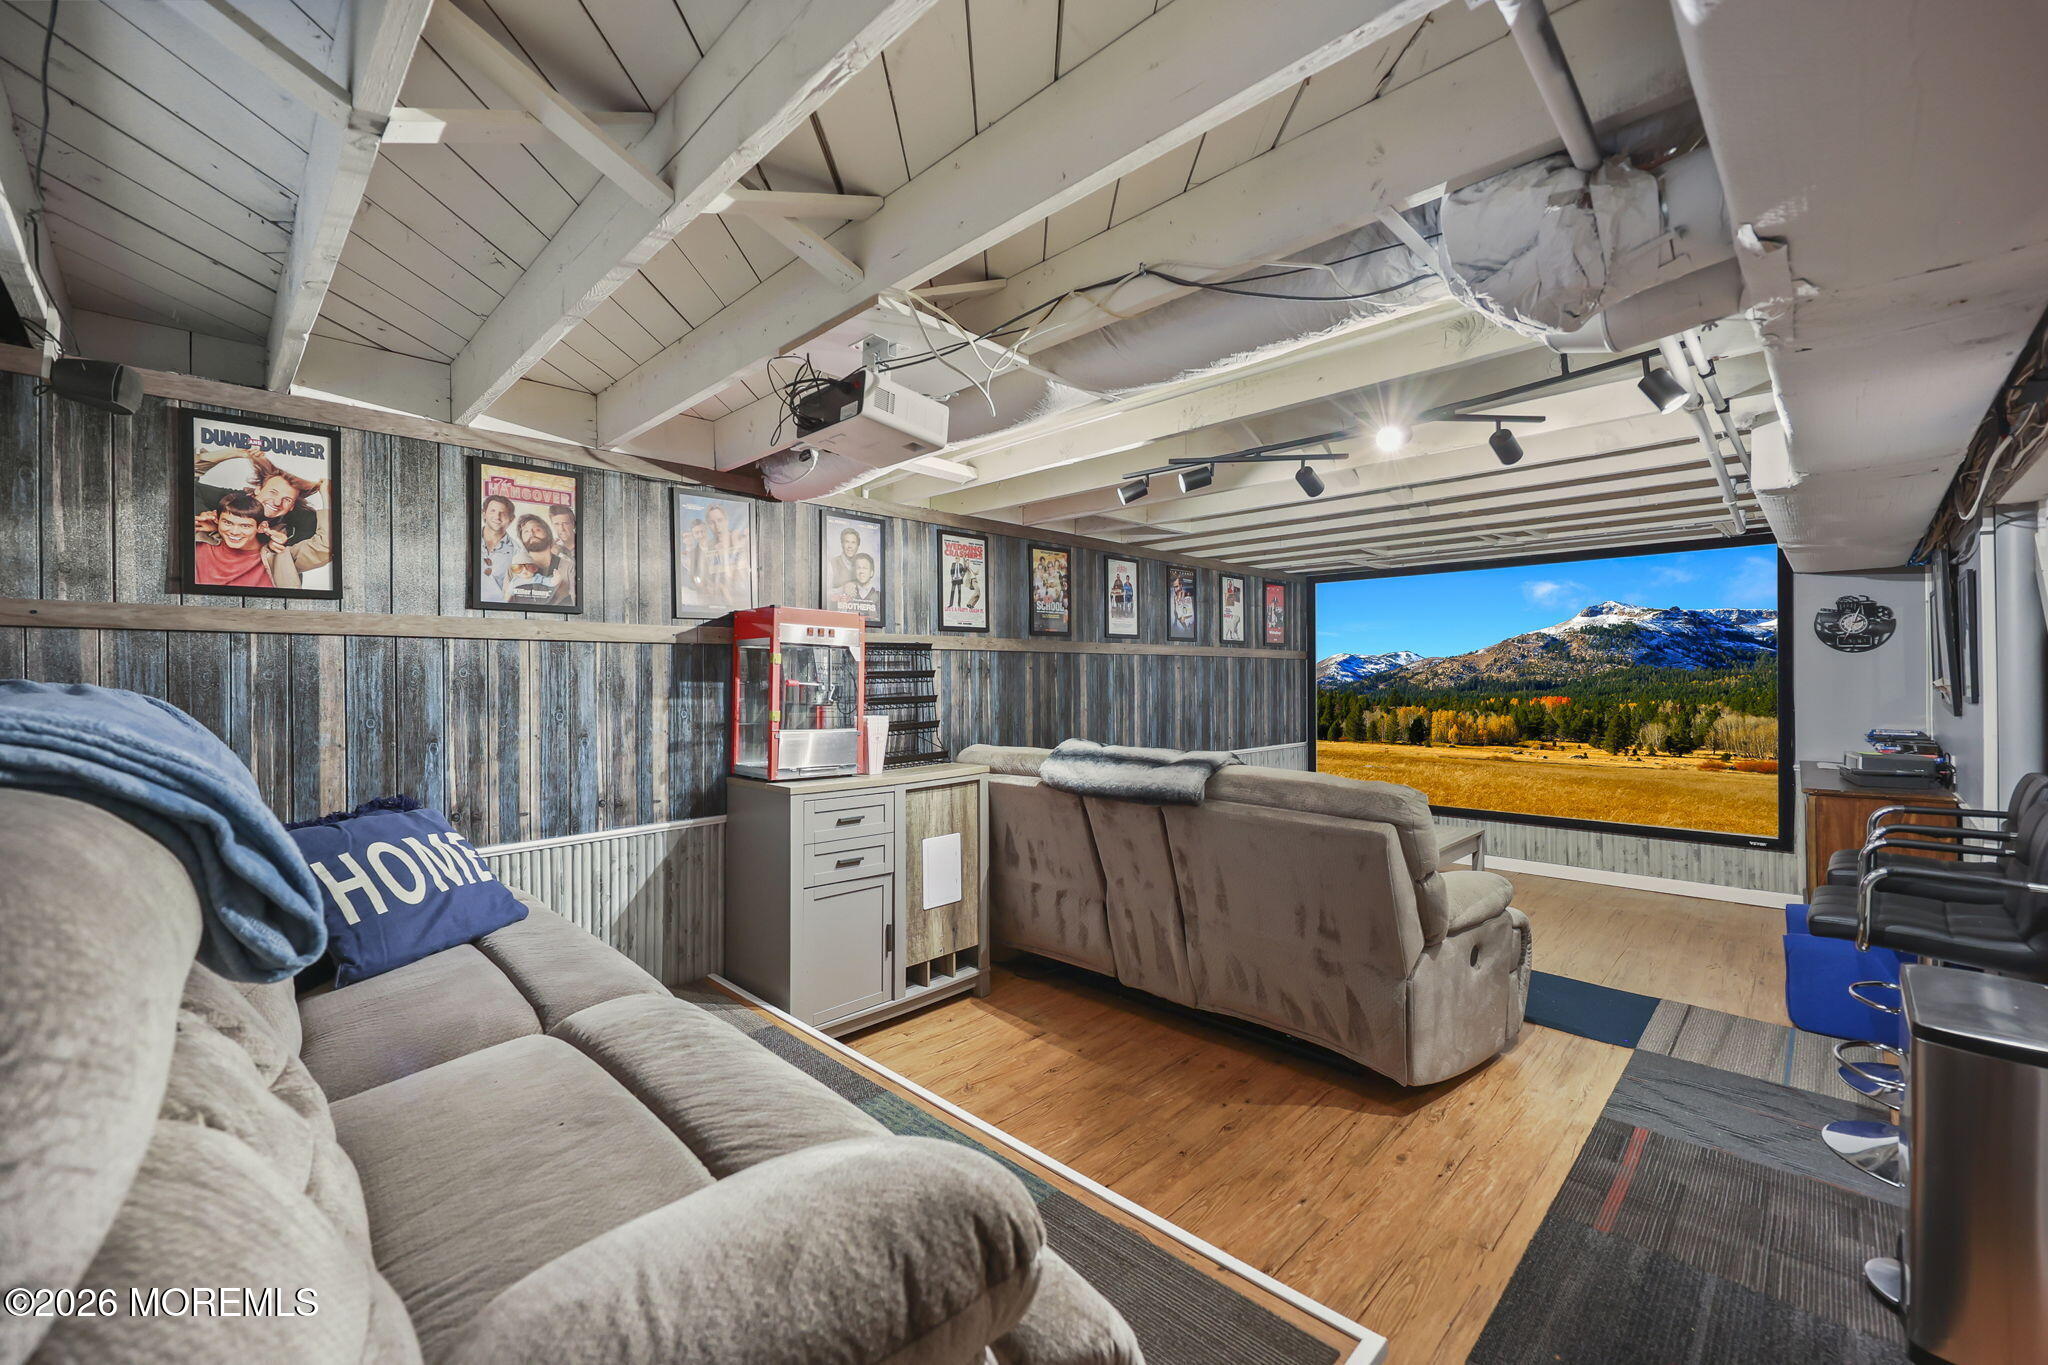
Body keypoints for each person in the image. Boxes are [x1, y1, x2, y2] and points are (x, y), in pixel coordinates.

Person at [192, 481, 332, 590]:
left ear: (262, 527)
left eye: (245, 526)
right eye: (228, 522)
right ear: (216, 519)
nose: (234, 532)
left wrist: (327, 496)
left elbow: (326, 547)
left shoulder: (280, 557)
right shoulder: (200, 539)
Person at [506, 514, 575, 607]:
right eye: (526, 531)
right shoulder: (513, 568)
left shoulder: (568, 567)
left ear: (547, 532)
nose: (532, 533)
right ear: (521, 539)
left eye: (537, 529)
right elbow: (504, 602)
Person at [478, 494, 528, 603]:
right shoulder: (466, 541)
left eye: (503, 513)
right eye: (492, 511)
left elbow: (519, 589)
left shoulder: (518, 551)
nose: (497, 516)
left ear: (511, 519)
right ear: (484, 514)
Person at [826, 526, 863, 595]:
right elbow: (824, 594)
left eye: (853, 542)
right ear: (842, 544)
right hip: (837, 605)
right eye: (847, 542)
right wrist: (842, 589)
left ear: (858, 545)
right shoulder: (832, 564)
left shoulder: (863, 564)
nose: (850, 546)